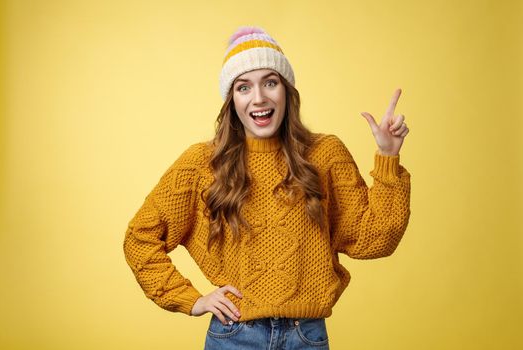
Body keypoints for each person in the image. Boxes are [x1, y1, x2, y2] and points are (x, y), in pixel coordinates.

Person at [123, 26, 411, 350]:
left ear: (286, 91)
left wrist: (388, 155)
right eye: (243, 87)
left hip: (307, 336)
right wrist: (190, 300)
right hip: (234, 336)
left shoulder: (325, 154)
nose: (258, 98)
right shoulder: (201, 164)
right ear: (231, 100)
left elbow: (376, 238)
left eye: (270, 82)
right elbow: (140, 237)